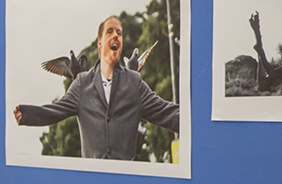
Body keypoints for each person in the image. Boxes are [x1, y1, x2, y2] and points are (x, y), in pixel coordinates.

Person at [14, 16, 178, 160]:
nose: (115, 35)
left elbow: (166, 112)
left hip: (125, 180)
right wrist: (27, 114)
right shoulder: (81, 83)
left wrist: (197, 121)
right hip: (92, 181)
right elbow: (55, 111)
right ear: (100, 43)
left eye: (119, 33)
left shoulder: (134, 82)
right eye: (110, 32)